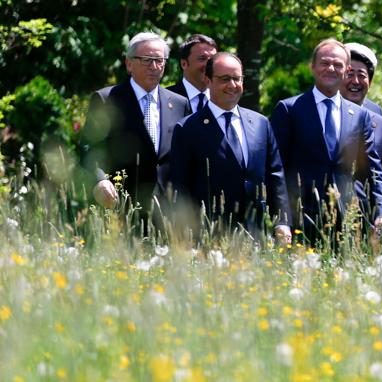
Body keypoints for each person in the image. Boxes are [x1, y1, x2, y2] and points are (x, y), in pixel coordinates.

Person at [271, 39, 382, 244]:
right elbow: (276, 170)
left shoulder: (360, 116)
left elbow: (374, 171)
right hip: (301, 222)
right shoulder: (289, 110)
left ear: (346, 70)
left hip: (351, 224)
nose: (331, 69)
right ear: (313, 67)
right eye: (324, 63)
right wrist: (282, 219)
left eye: (338, 65)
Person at [169, 52, 292, 241]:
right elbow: (180, 188)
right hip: (209, 237)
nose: (232, 85)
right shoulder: (188, 128)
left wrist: (282, 222)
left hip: (255, 235)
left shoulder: (260, 123)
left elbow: (275, 177)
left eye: (237, 79)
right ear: (208, 81)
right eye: (225, 79)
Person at [80, 31, 191, 228]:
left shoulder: (180, 104)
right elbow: (89, 150)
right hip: (122, 207)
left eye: (159, 60)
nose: (154, 67)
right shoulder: (108, 99)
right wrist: (100, 181)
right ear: (129, 64)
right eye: (146, 60)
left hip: (170, 213)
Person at [340, 42, 382, 193]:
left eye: (362, 76)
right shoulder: (320, 110)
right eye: (350, 74)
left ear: (370, 82)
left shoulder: (377, 115)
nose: (355, 81)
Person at [167, 34, 218, 113]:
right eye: (201, 59)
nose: (208, 65)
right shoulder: (165, 98)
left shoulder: (222, 99)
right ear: (184, 64)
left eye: (212, 60)